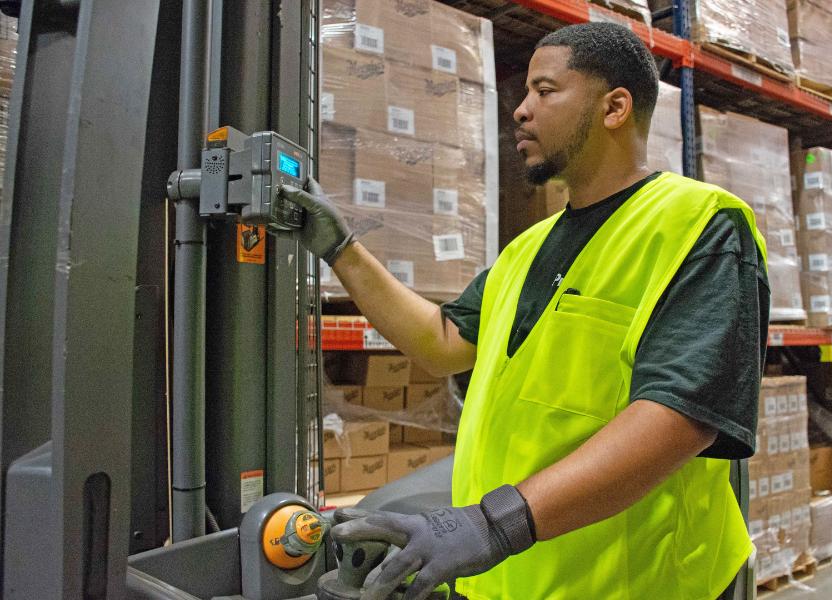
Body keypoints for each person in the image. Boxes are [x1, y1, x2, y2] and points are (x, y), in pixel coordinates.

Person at [281, 21, 769, 600]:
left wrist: (493, 523)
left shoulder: (698, 225)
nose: (520, 110)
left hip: (635, 584)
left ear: (615, 107)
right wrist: (342, 250)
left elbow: (677, 420)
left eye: (544, 90)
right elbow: (440, 342)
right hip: (511, 578)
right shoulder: (527, 250)